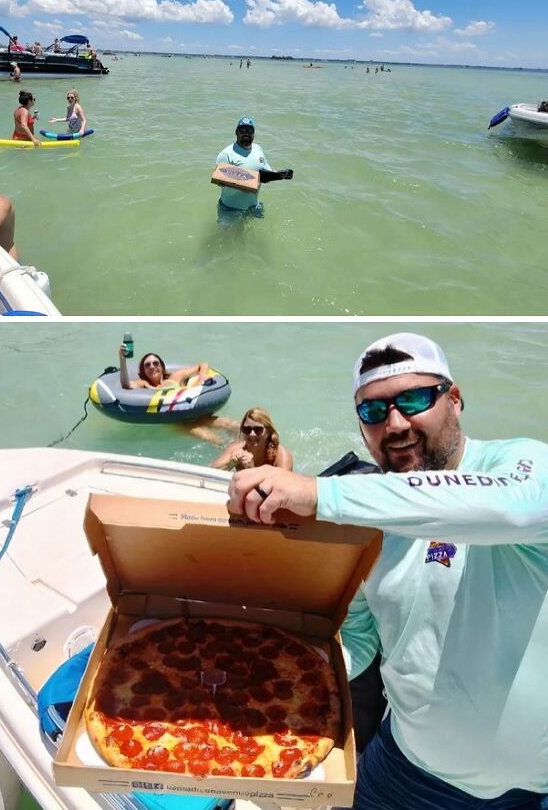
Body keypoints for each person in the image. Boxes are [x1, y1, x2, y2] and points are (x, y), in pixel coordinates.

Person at [228, 332, 548, 810]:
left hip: (529, 789)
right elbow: (358, 641)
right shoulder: (363, 521)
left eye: (414, 399)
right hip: (405, 772)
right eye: (373, 412)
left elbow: (513, 511)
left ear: (455, 399)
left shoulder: (522, 465)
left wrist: (320, 494)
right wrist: (271, 677)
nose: (395, 424)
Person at [215, 117, 293, 224]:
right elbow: (219, 181)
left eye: (249, 130)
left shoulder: (258, 149)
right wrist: (250, 181)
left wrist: (279, 175)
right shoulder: (226, 154)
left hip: (253, 207)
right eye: (242, 130)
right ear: (236, 132)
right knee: (227, 239)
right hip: (230, 209)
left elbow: (266, 169)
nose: (246, 133)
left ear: (254, 133)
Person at [211, 408, 293, 471]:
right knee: (217, 441)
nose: (252, 434)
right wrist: (230, 463)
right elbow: (210, 471)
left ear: (268, 431)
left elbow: (282, 489)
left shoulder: (281, 455)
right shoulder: (238, 448)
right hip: (233, 442)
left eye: (258, 430)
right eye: (247, 430)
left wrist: (252, 469)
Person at [118, 346, 209, 390]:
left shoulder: (175, 377)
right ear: (143, 371)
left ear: (162, 367)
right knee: (193, 428)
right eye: (147, 365)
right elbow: (126, 385)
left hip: (187, 406)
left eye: (155, 363)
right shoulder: (144, 383)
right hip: (167, 415)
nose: (152, 367)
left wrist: (202, 377)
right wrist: (122, 360)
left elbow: (203, 364)